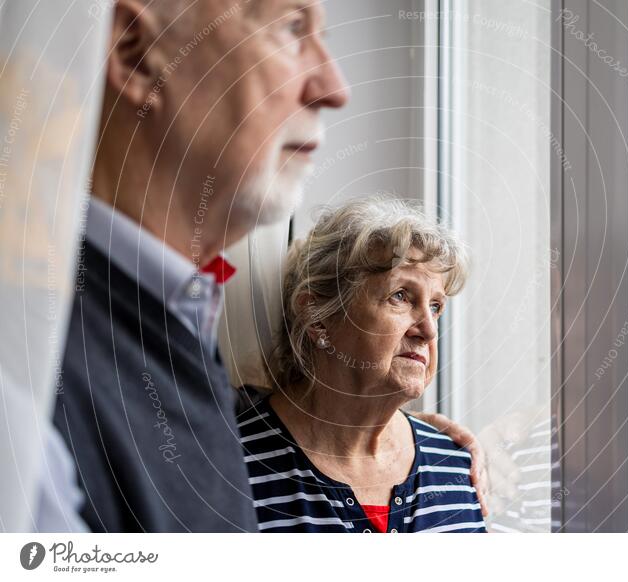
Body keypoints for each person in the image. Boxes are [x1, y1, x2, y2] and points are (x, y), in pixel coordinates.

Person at [42, 0, 485, 532]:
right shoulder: (39, 371)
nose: (334, 86)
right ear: (137, 53)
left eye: (437, 304)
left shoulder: (173, 334)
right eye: (291, 26)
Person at [238, 198, 487, 533]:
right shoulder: (230, 466)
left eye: (436, 306)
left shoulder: (455, 465)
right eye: (400, 296)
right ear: (317, 317)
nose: (428, 330)